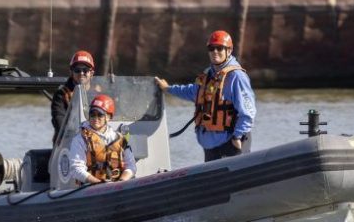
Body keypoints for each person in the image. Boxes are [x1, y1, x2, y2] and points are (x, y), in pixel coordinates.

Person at [154, 30, 256, 162]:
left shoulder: (237, 77)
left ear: (229, 51)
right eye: (211, 48)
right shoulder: (208, 74)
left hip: (231, 143)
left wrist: (237, 136)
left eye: (219, 48)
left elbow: (248, 112)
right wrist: (168, 88)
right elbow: (192, 92)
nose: (215, 52)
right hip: (211, 146)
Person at [69, 94, 136, 184]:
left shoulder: (120, 139)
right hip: (91, 188)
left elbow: (131, 166)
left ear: (109, 117)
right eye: (92, 114)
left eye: (100, 115)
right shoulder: (80, 139)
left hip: (117, 185)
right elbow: (76, 169)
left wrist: (121, 181)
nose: (95, 118)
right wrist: (98, 184)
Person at [51, 50, 95, 143]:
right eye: (77, 70)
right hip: (68, 143)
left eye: (85, 70)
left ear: (91, 73)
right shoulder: (61, 94)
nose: (81, 73)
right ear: (71, 72)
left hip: (96, 141)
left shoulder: (99, 93)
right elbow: (59, 119)